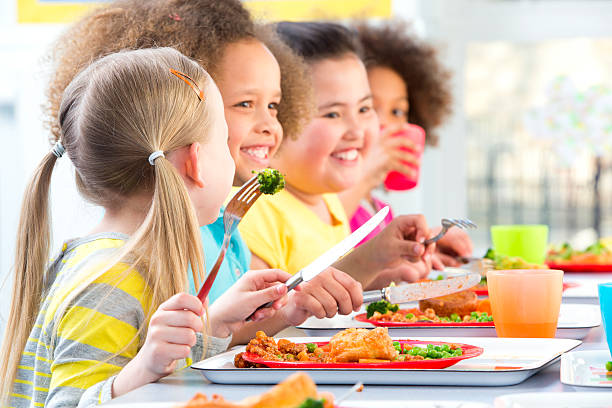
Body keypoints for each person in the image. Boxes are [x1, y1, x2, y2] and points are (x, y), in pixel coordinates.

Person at [41, 0, 363, 345]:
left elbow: (181, 354)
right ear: (195, 158)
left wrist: (253, 316)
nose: (271, 124)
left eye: (274, 105)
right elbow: (86, 398)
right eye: (240, 109)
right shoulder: (111, 279)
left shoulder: (222, 229)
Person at [0, 48, 295, 407]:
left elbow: (157, 366)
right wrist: (142, 369)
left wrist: (215, 324)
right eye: (223, 141)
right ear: (196, 161)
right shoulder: (112, 282)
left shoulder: (115, 262)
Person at [238, 22, 435, 291]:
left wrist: (383, 270)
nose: (357, 130)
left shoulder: (327, 201)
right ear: (276, 119)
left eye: (365, 108)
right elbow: (257, 321)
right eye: (332, 114)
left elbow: (326, 292)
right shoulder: (254, 213)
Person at [339, 20, 473, 268]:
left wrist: (424, 248)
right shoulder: (332, 203)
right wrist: (367, 174)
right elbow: (327, 247)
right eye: (368, 107)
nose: (387, 123)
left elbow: (382, 267)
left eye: (397, 111)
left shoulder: (381, 210)